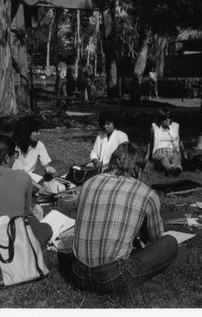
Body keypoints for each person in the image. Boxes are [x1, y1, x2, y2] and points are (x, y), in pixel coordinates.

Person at [70, 142, 178, 294]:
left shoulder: (89, 182)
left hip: (77, 272)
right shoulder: (146, 193)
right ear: (136, 169)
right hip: (112, 277)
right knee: (170, 242)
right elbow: (155, 238)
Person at [12, 117, 57, 187]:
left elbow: (45, 164)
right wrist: (39, 187)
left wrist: (48, 169)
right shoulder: (14, 146)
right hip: (15, 178)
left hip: (31, 177)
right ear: (26, 132)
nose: (39, 134)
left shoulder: (39, 145)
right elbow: (19, 173)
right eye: (36, 131)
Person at [146, 107, 187, 176]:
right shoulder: (155, 127)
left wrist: (184, 154)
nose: (167, 120)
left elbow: (179, 142)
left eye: (169, 117)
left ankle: (177, 168)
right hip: (159, 151)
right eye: (164, 118)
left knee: (175, 158)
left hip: (172, 150)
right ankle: (169, 168)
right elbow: (151, 142)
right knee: (163, 158)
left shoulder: (174, 127)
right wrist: (147, 157)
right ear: (160, 119)